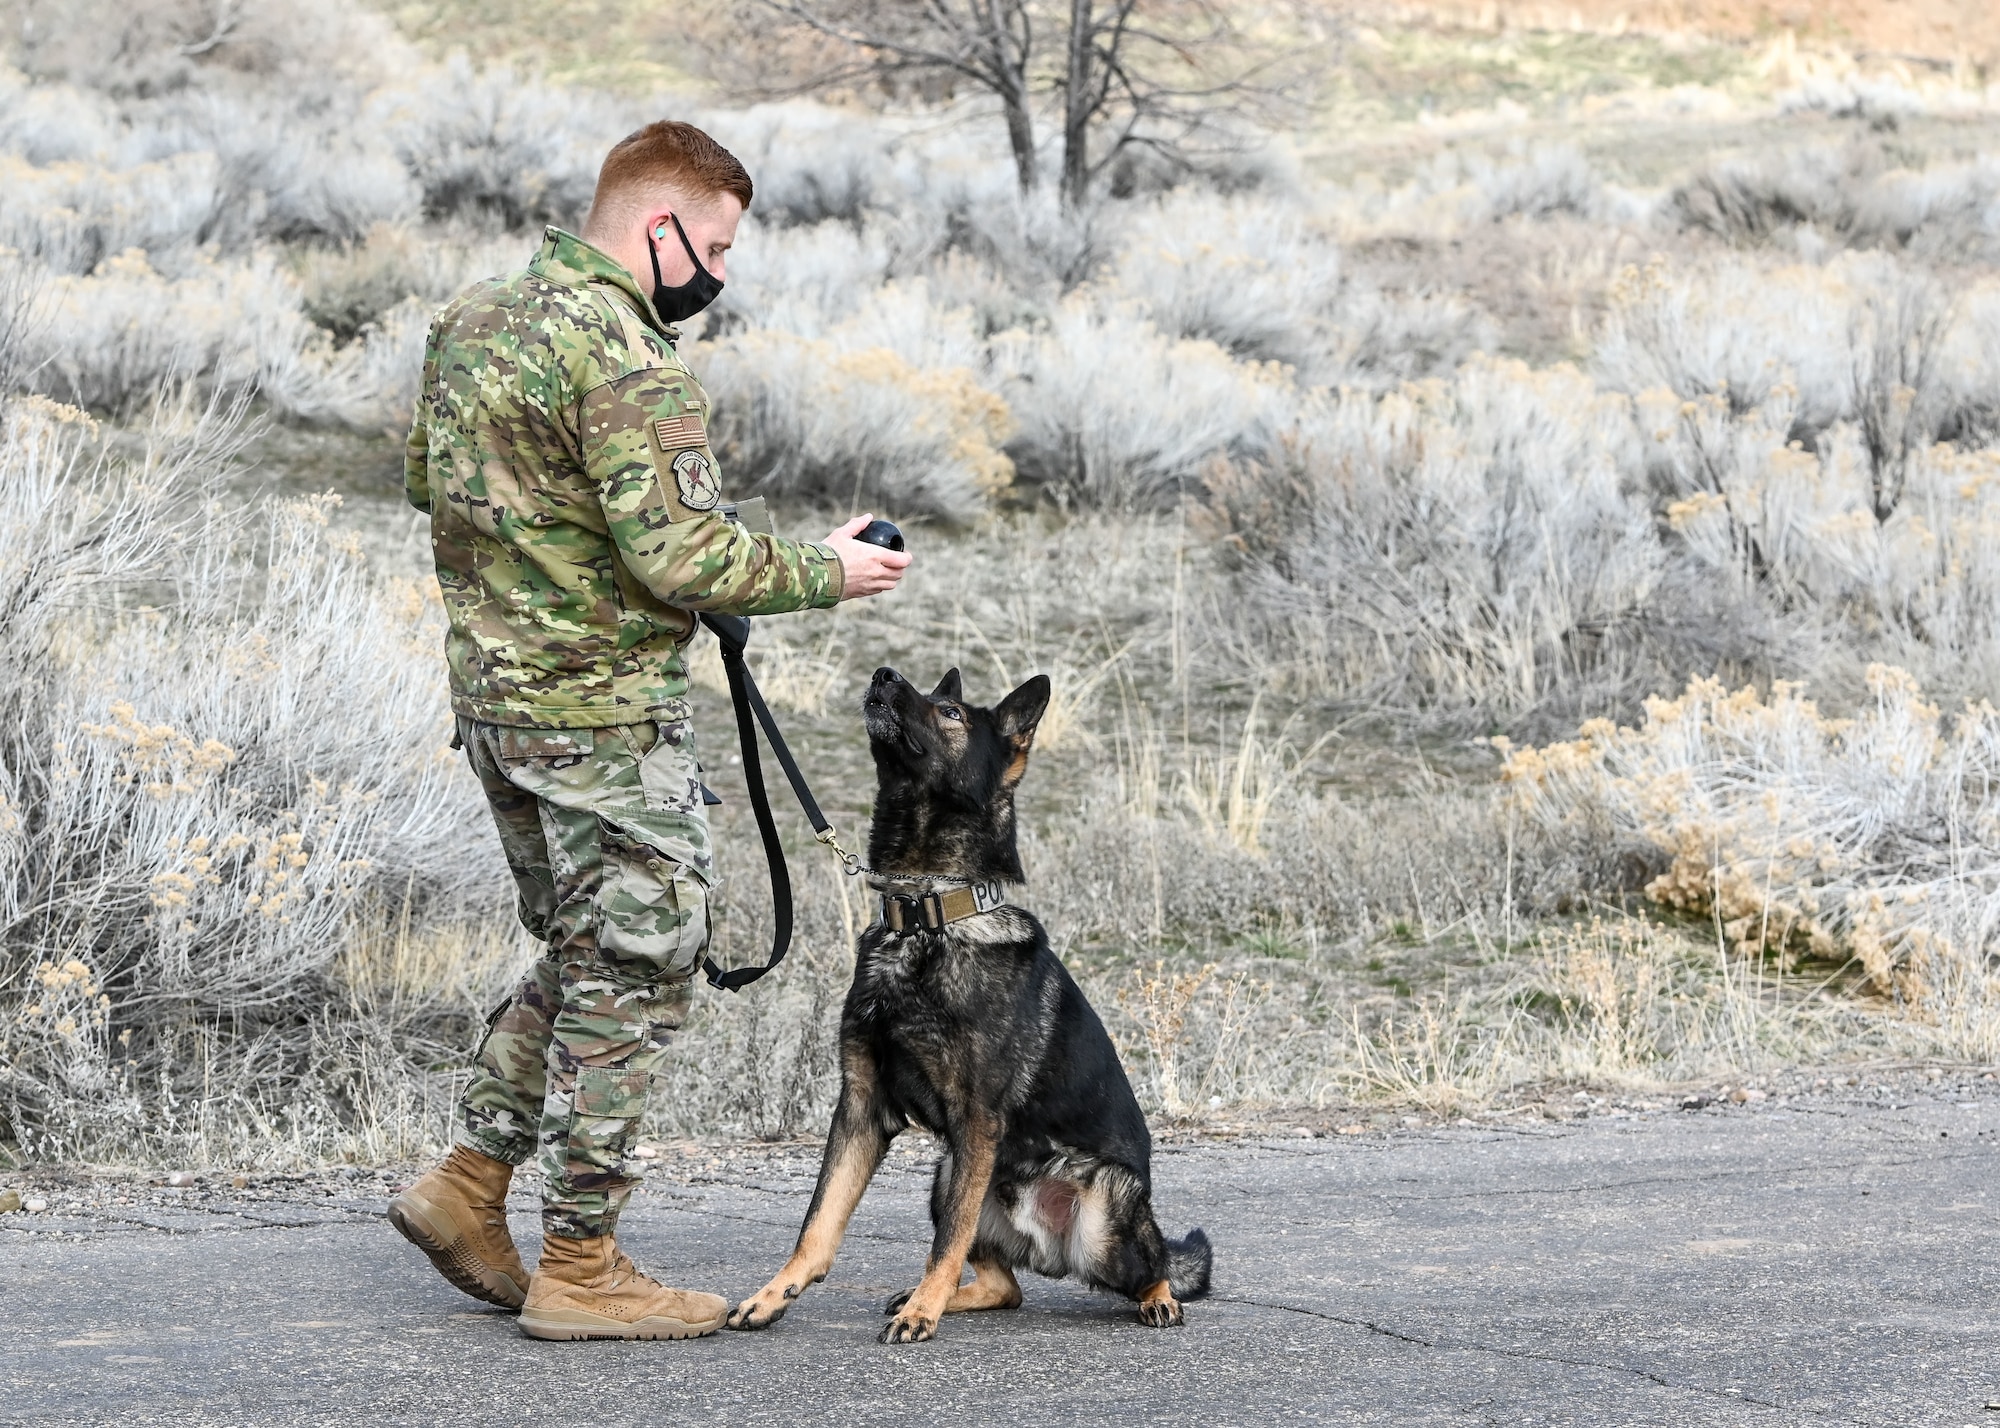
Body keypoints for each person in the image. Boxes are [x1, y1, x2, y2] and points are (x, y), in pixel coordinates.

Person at [388, 120, 910, 1343]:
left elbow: (433, 485)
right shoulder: (625, 350)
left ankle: (467, 1185)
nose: (717, 276)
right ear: (657, 224)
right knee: (641, 964)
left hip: (499, 709)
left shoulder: (472, 319)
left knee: (587, 950)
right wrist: (827, 569)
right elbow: (680, 552)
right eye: (713, 248)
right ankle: (581, 1261)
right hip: (603, 720)